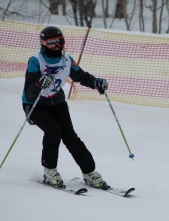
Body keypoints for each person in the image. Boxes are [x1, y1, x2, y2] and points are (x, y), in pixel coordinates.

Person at [22, 26, 110, 189]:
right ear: (43, 44)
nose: (56, 46)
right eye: (52, 43)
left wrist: (95, 83)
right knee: (53, 130)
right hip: (35, 105)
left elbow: (81, 76)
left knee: (70, 136)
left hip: (57, 102)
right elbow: (29, 92)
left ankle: (89, 172)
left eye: (59, 42)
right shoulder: (36, 61)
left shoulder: (66, 60)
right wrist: (39, 84)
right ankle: (49, 170)